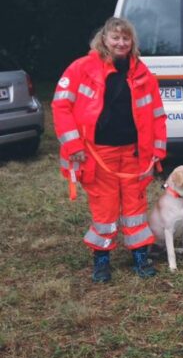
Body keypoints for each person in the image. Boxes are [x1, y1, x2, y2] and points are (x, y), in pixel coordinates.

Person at [51, 17, 166, 283]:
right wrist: (73, 145)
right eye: (116, 38)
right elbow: (60, 107)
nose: (121, 43)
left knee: (135, 206)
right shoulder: (81, 68)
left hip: (134, 153)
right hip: (98, 155)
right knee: (105, 209)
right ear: (104, 39)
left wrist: (157, 149)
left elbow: (157, 115)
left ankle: (140, 255)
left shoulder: (142, 72)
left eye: (126, 38)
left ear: (132, 42)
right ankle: (101, 261)